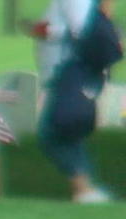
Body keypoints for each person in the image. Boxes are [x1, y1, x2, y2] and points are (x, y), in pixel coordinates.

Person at [26, 0, 122, 203]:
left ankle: (84, 189)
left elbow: (81, 31)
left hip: (70, 70)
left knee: (57, 130)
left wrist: (47, 30)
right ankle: (85, 189)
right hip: (72, 71)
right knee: (65, 128)